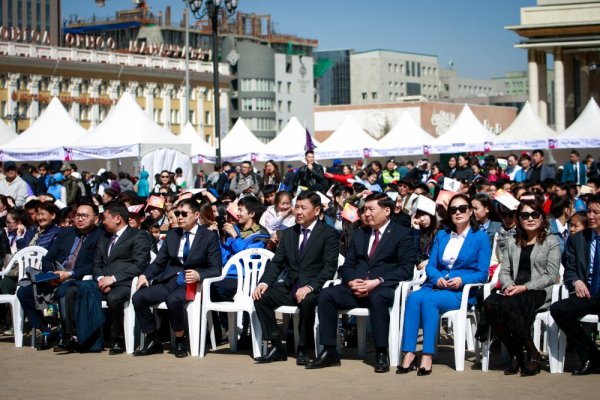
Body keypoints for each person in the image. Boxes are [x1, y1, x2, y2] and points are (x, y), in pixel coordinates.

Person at [307, 193, 417, 373]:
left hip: (382, 287)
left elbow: (406, 269)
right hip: (355, 287)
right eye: (365, 209)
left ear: (387, 211)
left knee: (378, 299)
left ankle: (381, 352)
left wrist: (377, 281)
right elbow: (348, 264)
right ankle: (329, 350)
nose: (366, 213)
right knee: (326, 295)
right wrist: (351, 281)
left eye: (371, 209)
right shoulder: (359, 234)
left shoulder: (402, 234)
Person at [398, 193, 490, 375]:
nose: (458, 213)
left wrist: (461, 280)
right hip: (436, 284)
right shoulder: (442, 235)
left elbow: (482, 273)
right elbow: (431, 265)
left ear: (470, 211)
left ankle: (427, 354)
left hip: (460, 290)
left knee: (429, 301)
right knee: (414, 298)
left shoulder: (480, 237)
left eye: (463, 208)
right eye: (453, 209)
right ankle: (408, 352)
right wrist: (437, 277)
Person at [252, 191, 338, 365]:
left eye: (303, 208)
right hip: (291, 286)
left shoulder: (328, 233)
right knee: (261, 297)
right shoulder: (288, 233)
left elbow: (329, 268)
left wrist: (310, 287)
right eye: (296, 207)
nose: (298, 211)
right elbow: (277, 263)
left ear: (316, 210)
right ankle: (276, 346)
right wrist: (264, 282)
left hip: (314, 287)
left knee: (307, 301)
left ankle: (304, 348)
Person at [478, 198, 560, 376]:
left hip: (537, 291)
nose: (530, 218)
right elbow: (504, 271)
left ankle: (526, 354)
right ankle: (522, 352)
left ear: (542, 217)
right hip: (513, 289)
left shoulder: (551, 241)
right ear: (519, 219)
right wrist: (509, 286)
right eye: (525, 215)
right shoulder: (511, 240)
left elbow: (551, 275)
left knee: (508, 305)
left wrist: (524, 288)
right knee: (490, 304)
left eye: (534, 214)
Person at [133, 199, 221, 358]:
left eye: (184, 214)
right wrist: (144, 275)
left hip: (193, 283)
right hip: (171, 280)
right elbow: (159, 262)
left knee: (173, 300)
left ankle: (180, 340)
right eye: (177, 214)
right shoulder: (173, 234)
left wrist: (199, 275)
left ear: (195, 215)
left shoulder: (209, 236)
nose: (179, 217)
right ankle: (153, 339)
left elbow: (216, 268)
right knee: (139, 297)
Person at [63, 202, 151, 355]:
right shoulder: (104, 237)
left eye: (105, 218)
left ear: (117, 219)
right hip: (102, 282)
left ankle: (117, 337)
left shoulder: (138, 235)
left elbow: (139, 265)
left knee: (114, 298)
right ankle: (75, 335)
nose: (103, 222)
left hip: (126, 283)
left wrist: (113, 279)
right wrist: (101, 278)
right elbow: (96, 263)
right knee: (73, 290)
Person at [16, 203, 102, 351]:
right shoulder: (66, 233)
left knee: (64, 290)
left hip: (77, 279)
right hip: (55, 276)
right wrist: (52, 274)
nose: (80, 219)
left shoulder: (101, 235)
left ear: (95, 219)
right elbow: (48, 258)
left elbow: (97, 264)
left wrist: (70, 274)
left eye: (84, 216)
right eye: (77, 215)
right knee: (23, 292)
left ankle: (68, 335)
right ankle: (45, 330)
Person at [550, 193, 600, 375]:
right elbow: (569, 268)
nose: (591, 216)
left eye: (596, 212)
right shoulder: (579, 238)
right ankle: (590, 356)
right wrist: (577, 280)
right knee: (558, 309)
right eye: (589, 212)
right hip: (587, 294)